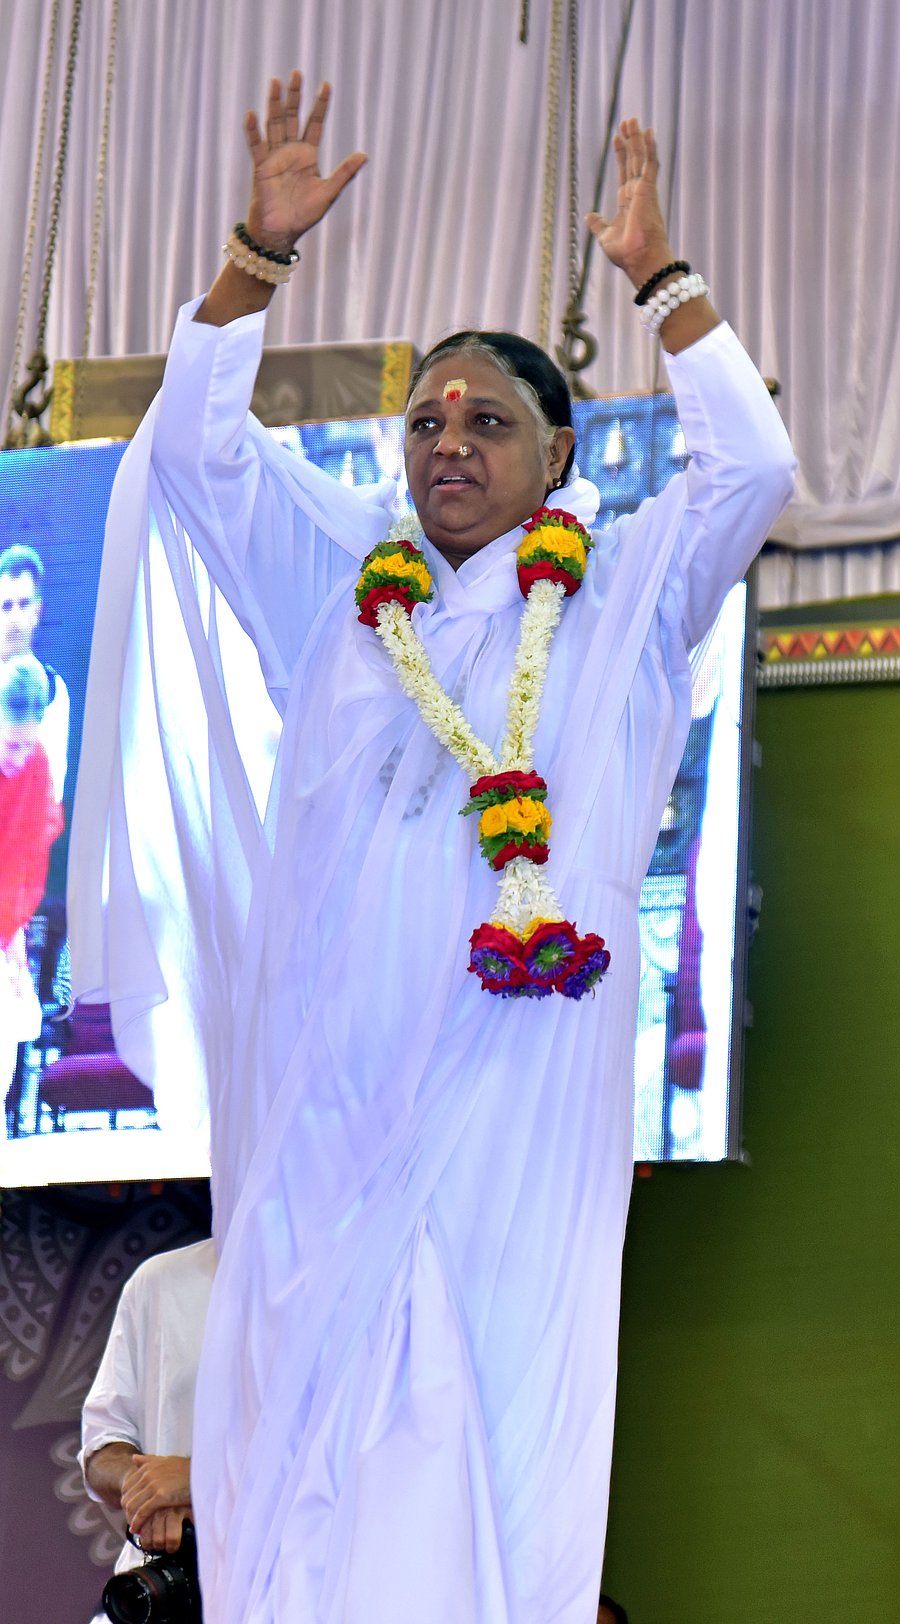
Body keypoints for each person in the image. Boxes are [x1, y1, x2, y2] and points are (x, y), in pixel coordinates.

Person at [69, 74, 795, 1624]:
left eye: (489, 420)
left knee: (499, 1416)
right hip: (332, 1086)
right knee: (301, 1431)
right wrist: (253, 260)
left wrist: (667, 286)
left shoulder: (626, 594)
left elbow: (755, 472)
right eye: (426, 419)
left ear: (560, 454)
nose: (447, 442)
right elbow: (194, 457)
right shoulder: (343, 579)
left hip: (515, 1083)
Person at [79, 1239, 216, 1615]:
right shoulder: (160, 1280)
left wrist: (196, 1480)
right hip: (164, 1587)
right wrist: (146, 1491)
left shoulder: (355, 1278)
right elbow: (102, 1446)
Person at [1, 654, 64, 1124]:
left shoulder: (37, 762)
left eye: (26, 744)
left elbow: (28, 857)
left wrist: (11, 932)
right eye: (9, 745)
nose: (18, 758)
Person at [0, 543, 70, 801]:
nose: (15, 617)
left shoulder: (53, 690)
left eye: (23, 604)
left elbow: (53, 791)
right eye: (6, 606)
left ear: (37, 610)